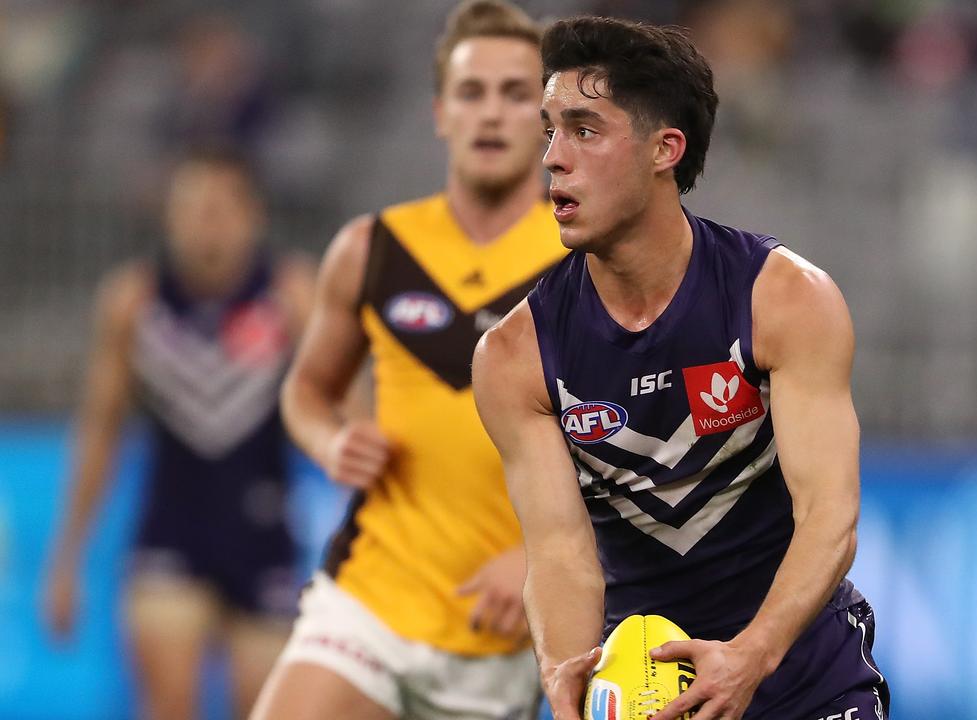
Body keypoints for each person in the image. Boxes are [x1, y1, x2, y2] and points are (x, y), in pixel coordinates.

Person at [473, 16, 890, 720]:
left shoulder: (782, 299)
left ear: (666, 149)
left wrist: (751, 655)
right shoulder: (516, 356)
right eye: (549, 129)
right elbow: (562, 552)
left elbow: (830, 517)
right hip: (650, 698)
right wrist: (563, 673)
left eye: (584, 129)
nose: (551, 157)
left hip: (801, 679)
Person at [250, 2, 565, 719]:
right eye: (471, 92)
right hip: (371, 596)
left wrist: (545, 563)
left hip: (503, 629)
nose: (491, 113)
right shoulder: (373, 248)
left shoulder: (584, 265)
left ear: (546, 119)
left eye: (516, 94)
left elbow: (629, 446)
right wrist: (332, 439)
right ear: (439, 112)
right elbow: (305, 391)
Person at [43, 146, 316, 720]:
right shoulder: (135, 302)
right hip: (171, 531)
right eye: (191, 210)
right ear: (168, 218)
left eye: (220, 209)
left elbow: (350, 418)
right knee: (167, 705)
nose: (206, 225)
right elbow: (99, 431)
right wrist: (66, 557)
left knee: (265, 708)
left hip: (264, 534)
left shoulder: (290, 297)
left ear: (253, 216)